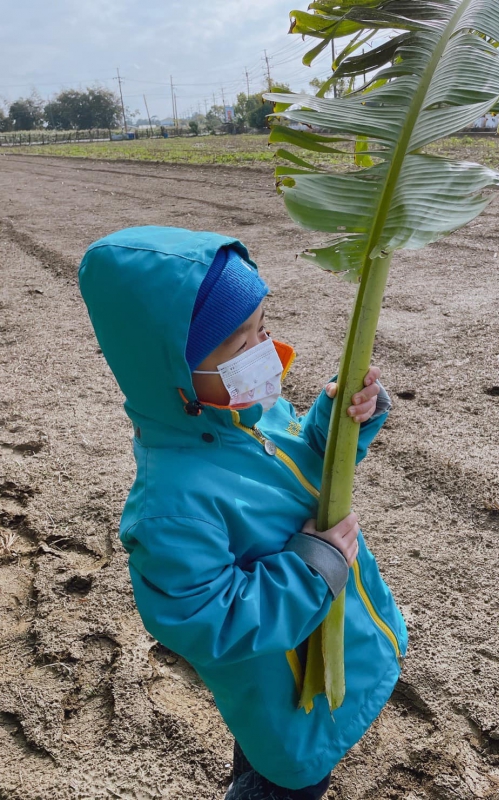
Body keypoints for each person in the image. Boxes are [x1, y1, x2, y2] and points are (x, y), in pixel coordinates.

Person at [79, 226, 408, 799]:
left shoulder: (247, 412)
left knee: (260, 760)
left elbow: (304, 464)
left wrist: (339, 422)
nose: (264, 351)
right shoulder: (170, 506)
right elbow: (209, 619)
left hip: (338, 642)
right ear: (172, 372)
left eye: (263, 326)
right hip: (284, 696)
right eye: (239, 345)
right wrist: (311, 571)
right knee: (282, 780)